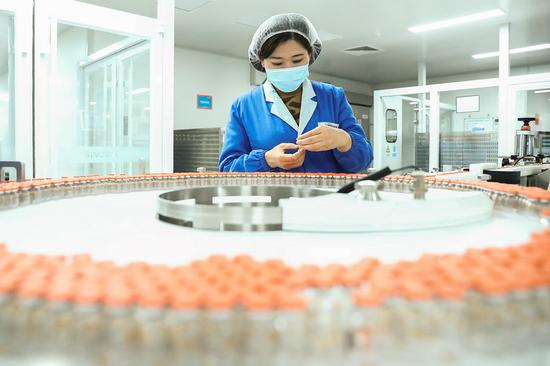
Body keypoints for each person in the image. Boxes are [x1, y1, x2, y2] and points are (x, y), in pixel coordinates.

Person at [219, 13, 373, 173]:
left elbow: (363, 161)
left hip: (328, 197)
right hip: (274, 196)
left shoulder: (333, 97)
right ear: (262, 60)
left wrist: (344, 140)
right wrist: (266, 160)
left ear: (310, 54)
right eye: (277, 62)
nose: (288, 68)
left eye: (297, 60)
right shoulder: (244, 106)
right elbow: (228, 167)